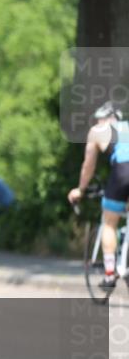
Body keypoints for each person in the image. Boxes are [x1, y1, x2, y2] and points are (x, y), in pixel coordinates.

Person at [68, 102, 129, 291]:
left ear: (105, 119)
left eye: (98, 119)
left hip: (123, 171)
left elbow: (88, 165)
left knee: (109, 222)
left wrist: (80, 189)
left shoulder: (98, 131)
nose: (97, 122)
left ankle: (109, 274)